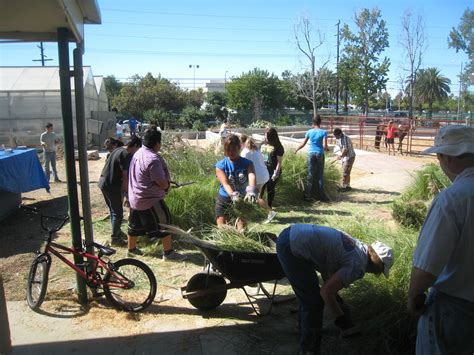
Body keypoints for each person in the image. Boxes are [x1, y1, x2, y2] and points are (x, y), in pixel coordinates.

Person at [407, 125, 474, 354]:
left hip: (453, 308)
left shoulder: (452, 199)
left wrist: (413, 296)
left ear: (447, 157)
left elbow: (426, 268)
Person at [276, 224, 394, 354]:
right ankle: (309, 350)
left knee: (309, 294)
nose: (378, 273)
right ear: (378, 265)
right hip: (292, 246)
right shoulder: (357, 266)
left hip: (292, 234)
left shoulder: (359, 248)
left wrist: (338, 301)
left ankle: (303, 327)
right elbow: (326, 292)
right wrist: (343, 322)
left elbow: (328, 276)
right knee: (313, 302)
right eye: (381, 270)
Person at [127, 128, 186, 261]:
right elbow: (161, 182)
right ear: (157, 143)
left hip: (135, 198)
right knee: (165, 223)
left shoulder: (138, 153)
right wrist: (167, 186)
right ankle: (169, 253)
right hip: (149, 200)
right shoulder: (152, 159)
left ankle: (131, 250)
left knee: (134, 225)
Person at [98, 136, 141, 246]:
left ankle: (116, 231)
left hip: (103, 183)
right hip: (112, 186)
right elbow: (125, 175)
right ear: (135, 146)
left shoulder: (118, 149)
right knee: (118, 212)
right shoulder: (126, 155)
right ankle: (115, 238)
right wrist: (127, 194)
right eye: (138, 149)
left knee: (113, 210)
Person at [215, 134, 257, 232]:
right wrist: (232, 194)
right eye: (228, 149)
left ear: (239, 148)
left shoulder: (247, 163)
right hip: (224, 199)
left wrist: (251, 191)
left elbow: (252, 175)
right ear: (225, 149)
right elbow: (225, 183)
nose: (231, 152)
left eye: (234, 149)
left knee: (241, 230)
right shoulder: (220, 165)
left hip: (242, 200)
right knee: (223, 230)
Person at [240, 134, 275, 223]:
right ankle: (262, 213)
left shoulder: (245, 152)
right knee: (256, 196)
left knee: (256, 197)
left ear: (242, 143)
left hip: (258, 176)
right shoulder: (255, 149)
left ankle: (271, 212)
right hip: (264, 174)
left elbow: (240, 165)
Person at [294, 115, 329, 201]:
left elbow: (303, 144)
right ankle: (321, 196)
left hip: (311, 153)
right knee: (320, 175)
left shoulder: (309, 132)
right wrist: (327, 149)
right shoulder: (323, 132)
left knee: (310, 175)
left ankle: (307, 196)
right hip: (320, 153)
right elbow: (325, 146)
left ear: (313, 122)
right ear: (320, 122)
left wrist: (296, 150)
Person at [260, 127, 284, 214]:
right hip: (263, 171)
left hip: (273, 171)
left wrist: (276, 173)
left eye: (267, 136)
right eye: (265, 135)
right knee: (261, 190)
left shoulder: (278, 146)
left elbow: (279, 162)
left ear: (272, 137)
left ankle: (269, 206)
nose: (265, 137)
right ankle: (262, 207)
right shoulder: (263, 143)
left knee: (270, 189)